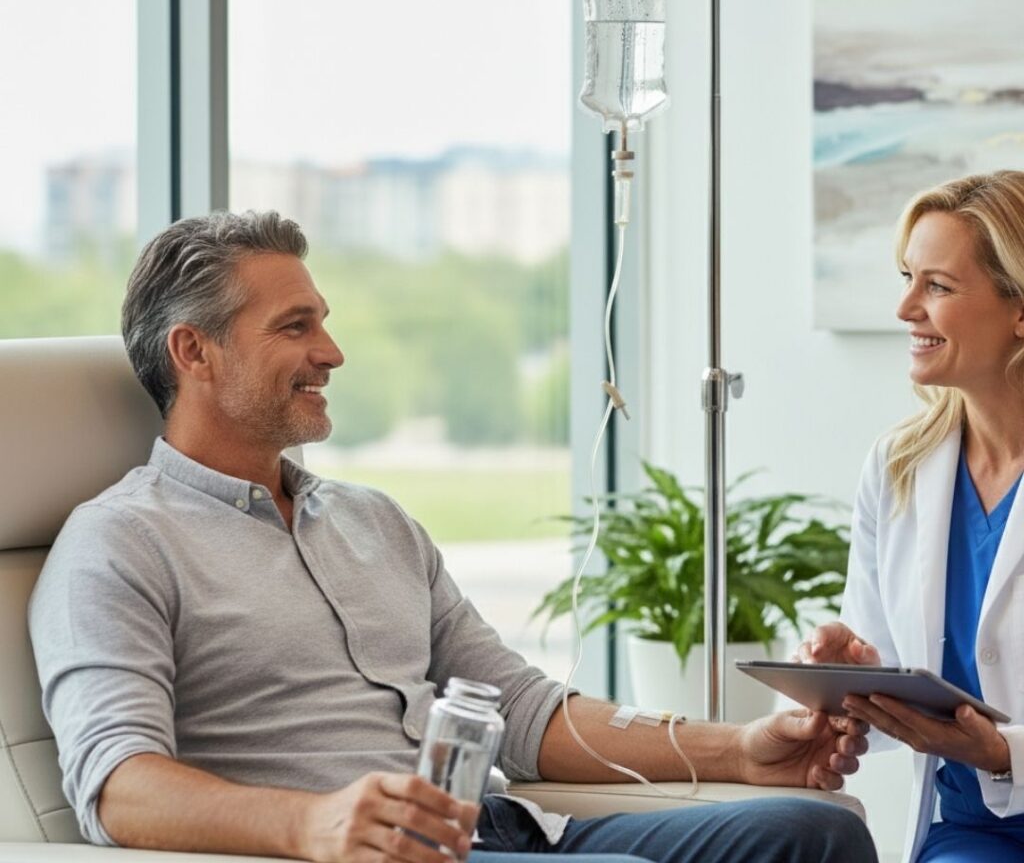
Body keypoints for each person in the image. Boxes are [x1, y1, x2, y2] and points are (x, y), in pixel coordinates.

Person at [29, 211, 875, 863]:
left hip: (509, 830)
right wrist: (315, 825)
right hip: (356, 856)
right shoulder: (119, 544)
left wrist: (741, 752)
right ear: (194, 352)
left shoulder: (374, 521)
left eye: (322, 321)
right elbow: (117, 788)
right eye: (294, 327)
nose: (333, 352)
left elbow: (522, 711)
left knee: (813, 835)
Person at [797, 170, 1024, 863]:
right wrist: (855, 674)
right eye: (907, 277)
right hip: (970, 835)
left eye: (937, 286)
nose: (904, 308)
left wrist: (1002, 749)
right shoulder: (897, 466)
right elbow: (901, 706)